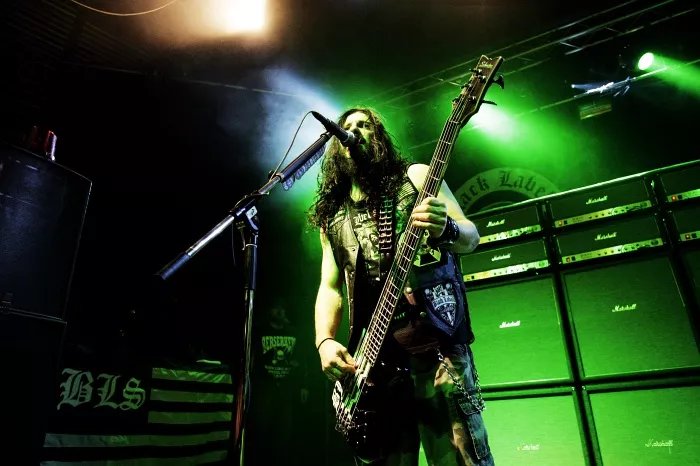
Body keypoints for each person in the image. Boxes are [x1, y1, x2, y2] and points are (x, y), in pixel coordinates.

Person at [308, 108, 494, 465]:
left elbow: (471, 237)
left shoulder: (416, 176)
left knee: (460, 458)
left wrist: (447, 228)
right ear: (336, 145)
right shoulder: (332, 216)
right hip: (374, 363)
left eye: (364, 125)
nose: (354, 131)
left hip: (435, 347)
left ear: (379, 136)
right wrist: (324, 341)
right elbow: (329, 287)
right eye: (347, 127)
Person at [245, 301, 310, 465]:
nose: (280, 311)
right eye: (276, 308)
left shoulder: (293, 332)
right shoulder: (260, 332)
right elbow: (252, 358)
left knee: (283, 433)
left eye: (282, 308)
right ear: (269, 311)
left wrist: (303, 385)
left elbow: (301, 359)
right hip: (264, 387)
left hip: (286, 389)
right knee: (261, 429)